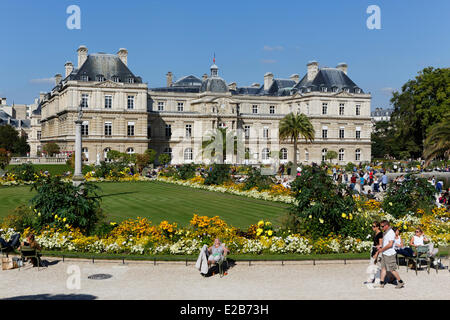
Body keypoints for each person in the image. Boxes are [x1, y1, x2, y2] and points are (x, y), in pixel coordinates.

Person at [374, 220, 405, 289]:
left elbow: (390, 244)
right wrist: (380, 246)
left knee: (392, 269)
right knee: (383, 269)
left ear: (386, 225)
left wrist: (381, 249)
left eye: (382, 226)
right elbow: (386, 242)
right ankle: (381, 283)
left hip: (390, 254)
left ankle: (400, 281)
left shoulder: (390, 233)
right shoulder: (386, 232)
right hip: (385, 253)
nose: (381, 228)